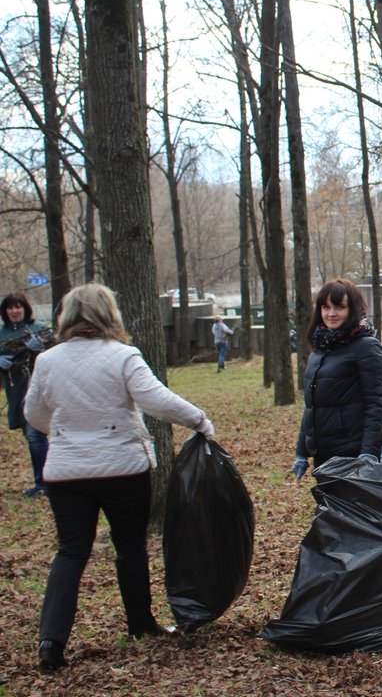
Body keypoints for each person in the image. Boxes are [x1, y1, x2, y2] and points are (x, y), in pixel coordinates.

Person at [23, 283, 216, 674]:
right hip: (123, 468)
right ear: (109, 314)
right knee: (129, 547)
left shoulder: (47, 360)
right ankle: (140, 621)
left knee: (71, 551)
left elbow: (34, 414)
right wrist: (198, 420)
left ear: (67, 316)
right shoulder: (124, 356)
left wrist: (66, 433)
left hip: (66, 472)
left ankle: (51, 640)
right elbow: (155, 399)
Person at [291, 278, 382, 479]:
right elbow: (312, 406)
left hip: (352, 454)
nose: (331, 314)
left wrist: (369, 452)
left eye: (339, 307)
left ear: (352, 309)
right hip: (322, 453)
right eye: (326, 307)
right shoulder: (320, 347)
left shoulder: (366, 347)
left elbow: (376, 404)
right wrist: (302, 451)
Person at [0, 292, 52, 497]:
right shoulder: (1, 335)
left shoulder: (39, 330)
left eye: (18, 307)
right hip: (16, 392)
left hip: (39, 389)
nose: (14, 311)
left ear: (25, 309)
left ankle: (45, 483)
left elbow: (55, 356)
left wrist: (41, 351)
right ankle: (45, 481)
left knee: (35, 435)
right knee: (31, 435)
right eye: (10, 308)